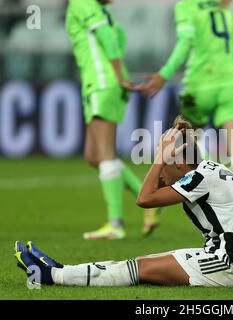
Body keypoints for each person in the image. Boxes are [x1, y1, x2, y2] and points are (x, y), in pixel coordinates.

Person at [13, 116, 233, 287]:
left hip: (229, 266)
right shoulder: (207, 171)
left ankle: (52, 275)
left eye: (163, 165)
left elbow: (144, 198)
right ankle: (58, 270)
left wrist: (158, 160)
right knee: (139, 265)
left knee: (138, 269)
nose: (159, 173)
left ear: (177, 163)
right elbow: (152, 190)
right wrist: (162, 159)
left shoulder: (199, 178)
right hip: (229, 260)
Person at [137, 0, 233, 221]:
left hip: (198, 85)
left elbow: (185, 42)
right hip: (231, 84)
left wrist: (164, 74)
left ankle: (201, 196)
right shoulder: (224, 12)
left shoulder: (187, 7)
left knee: (194, 147)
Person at [65, 0, 158, 240]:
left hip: (101, 83)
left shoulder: (81, 3)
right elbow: (120, 37)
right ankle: (147, 196)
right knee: (93, 155)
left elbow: (107, 37)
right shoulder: (104, 11)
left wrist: (116, 75)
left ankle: (115, 223)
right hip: (108, 84)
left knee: (104, 154)